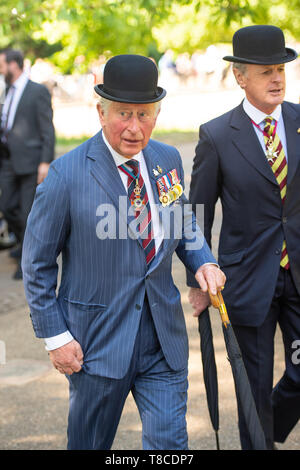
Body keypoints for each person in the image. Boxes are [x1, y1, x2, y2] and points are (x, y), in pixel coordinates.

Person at [22, 54, 226, 450]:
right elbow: (37, 263)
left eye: (145, 115)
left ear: (157, 113)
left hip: (162, 342)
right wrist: (55, 337)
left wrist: (204, 261)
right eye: (123, 114)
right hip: (96, 346)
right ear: (100, 112)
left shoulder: (166, 160)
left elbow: (182, 223)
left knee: (169, 446)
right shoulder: (66, 175)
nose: (135, 128)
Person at [187, 25, 300, 450]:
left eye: (282, 69)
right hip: (247, 280)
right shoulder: (216, 135)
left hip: (298, 274)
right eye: (266, 71)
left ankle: (265, 431)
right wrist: (198, 274)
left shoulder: (299, 119)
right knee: (252, 389)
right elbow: (195, 213)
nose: (277, 79)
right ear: (240, 77)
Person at [0, 49, 55, 279]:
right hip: (8, 159)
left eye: (2, 65)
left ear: (15, 64)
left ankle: (28, 261)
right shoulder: (7, 90)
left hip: (32, 162)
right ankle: (23, 244)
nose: (1, 69)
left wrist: (45, 161)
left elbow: (47, 128)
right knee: (6, 206)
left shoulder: (37, 91)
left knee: (26, 214)